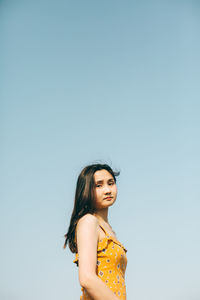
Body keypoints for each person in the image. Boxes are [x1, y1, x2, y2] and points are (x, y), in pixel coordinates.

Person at [64, 163, 128, 300]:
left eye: (111, 183)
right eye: (99, 185)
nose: (107, 190)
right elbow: (87, 278)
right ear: (86, 190)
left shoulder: (107, 229)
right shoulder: (89, 222)